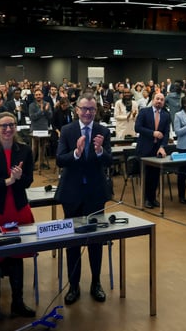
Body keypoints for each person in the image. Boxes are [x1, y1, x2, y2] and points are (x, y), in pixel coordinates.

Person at [54, 93, 113, 305]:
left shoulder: (102, 131)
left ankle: (96, 282)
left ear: (96, 111)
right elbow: (60, 159)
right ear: (77, 110)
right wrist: (76, 153)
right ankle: (74, 285)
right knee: (73, 243)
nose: (88, 113)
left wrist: (98, 151)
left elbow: (109, 159)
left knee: (96, 241)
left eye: (92, 109)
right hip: (72, 194)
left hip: (95, 194)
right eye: (84, 109)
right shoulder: (68, 131)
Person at [0, 112, 36, 321]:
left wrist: (19, 180)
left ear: (16, 127)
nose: (8, 129)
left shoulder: (25, 150)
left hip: (18, 208)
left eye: (11, 125)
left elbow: (28, 180)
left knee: (17, 256)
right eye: (3, 126)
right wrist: (8, 181)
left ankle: (17, 303)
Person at [135, 92, 170, 209]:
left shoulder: (166, 115)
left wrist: (162, 146)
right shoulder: (144, 112)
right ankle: (146, 199)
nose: (159, 101)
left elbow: (166, 134)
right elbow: (137, 128)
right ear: (153, 100)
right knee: (146, 175)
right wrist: (152, 133)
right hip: (144, 149)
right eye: (157, 99)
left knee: (155, 175)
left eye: (162, 100)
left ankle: (153, 198)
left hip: (157, 150)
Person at [28, 89, 52, 168]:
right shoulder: (31, 105)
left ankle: (41, 163)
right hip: (35, 128)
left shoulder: (47, 104)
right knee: (34, 147)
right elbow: (32, 117)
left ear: (42, 95)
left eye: (39, 94)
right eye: (36, 95)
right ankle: (31, 164)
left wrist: (45, 110)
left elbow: (50, 116)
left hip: (44, 128)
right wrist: (41, 111)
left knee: (43, 147)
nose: (38, 96)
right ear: (34, 96)